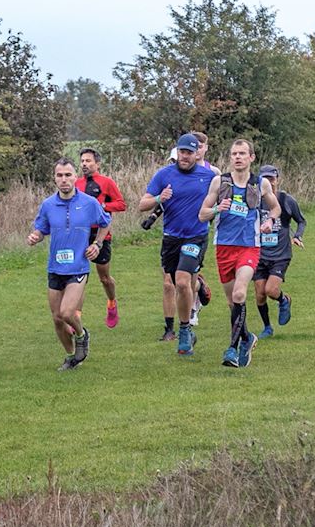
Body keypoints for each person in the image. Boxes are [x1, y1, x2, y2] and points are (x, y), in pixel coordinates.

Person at [199, 138, 282, 367]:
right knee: (232, 303)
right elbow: (202, 214)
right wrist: (217, 208)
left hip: (249, 246)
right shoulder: (219, 182)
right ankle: (246, 337)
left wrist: (269, 221)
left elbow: (276, 207)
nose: (238, 157)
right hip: (224, 246)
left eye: (242, 153)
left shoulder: (260, 183)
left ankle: (231, 350)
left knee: (239, 294)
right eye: (234, 154)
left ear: (251, 158)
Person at [26, 158, 111, 370]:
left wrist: (97, 244)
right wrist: (35, 236)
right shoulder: (47, 205)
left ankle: (82, 335)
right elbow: (41, 228)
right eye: (59, 175)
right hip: (55, 268)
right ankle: (72, 356)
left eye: (68, 175)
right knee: (57, 319)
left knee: (66, 313)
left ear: (75, 177)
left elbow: (105, 223)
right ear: (54, 178)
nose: (64, 179)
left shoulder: (89, 203)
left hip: (78, 267)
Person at [140, 133, 216, 356]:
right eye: (182, 152)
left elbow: (220, 202)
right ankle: (194, 305)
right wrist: (158, 198)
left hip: (196, 236)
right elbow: (142, 204)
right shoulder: (164, 175)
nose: (185, 156)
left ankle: (184, 329)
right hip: (171, 238)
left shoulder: (208, 176)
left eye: (189, 152)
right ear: (177, 152)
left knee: (182, 283)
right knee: (181, 283)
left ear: (197, 154)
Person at [253, 164, 305, 338]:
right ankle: (267, 327)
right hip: (259, 254)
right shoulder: (254, 200)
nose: (269, 182)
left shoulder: (286, 200)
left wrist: (297, 236)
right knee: (260, 294)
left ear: (277, 179)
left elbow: (301, 221)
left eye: (272, 179)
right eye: (265, 179)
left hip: (280, 255)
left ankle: (283, 299)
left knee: (271, 290)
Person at [77, 148, 127, 329]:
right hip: (80, 234)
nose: (84, 164)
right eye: (82, 161)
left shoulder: (106, 182)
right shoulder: (76, 184)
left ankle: (112, 302)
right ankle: (75, 317)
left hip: (101, 233)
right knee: (79, 278)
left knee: (104, 278)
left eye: (88, 161)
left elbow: (121, 205)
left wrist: (102, 205)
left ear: (97, 164)